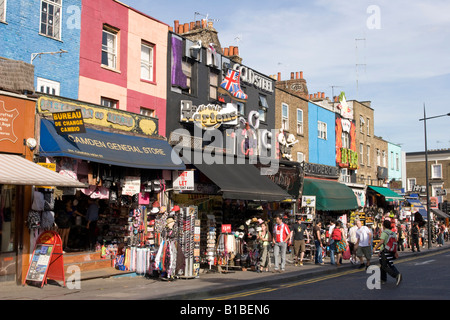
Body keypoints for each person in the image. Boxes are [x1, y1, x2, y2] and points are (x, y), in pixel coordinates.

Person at [373, 219, 402, 286]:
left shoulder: (384, 233)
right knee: (389, 264)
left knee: (384, 266)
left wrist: (375, 248)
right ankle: (383, 279)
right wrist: (396, 252)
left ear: (383, 226)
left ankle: (396, 275)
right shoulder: (393, 233)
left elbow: (381, 242)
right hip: (391, 251)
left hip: (385, 251)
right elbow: (395, 242)